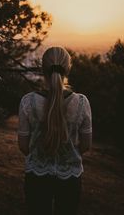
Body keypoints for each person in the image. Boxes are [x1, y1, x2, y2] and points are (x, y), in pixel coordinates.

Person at [17, 46, 92, 215]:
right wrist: (68, 155)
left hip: (36, 176)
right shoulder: (81, 103)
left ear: (43, 69)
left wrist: (41, 155)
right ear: (68, 69)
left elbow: (23, 146)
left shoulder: (28, 102)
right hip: (70, 178)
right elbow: (86, 146)